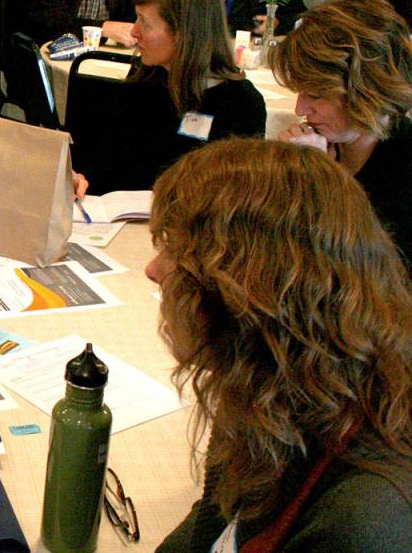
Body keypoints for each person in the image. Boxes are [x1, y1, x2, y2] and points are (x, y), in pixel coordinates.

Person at [148, 138, 412, 552]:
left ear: (247, 290)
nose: (153, 269)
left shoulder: (361, 525)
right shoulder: (269, 386)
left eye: (177, 250)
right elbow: (214, 525)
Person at [83, 0, 264, 192]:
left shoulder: (241, 105)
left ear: (183, 33)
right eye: (137, 18)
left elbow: (236, 196)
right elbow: (109, 160)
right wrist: (81, 180)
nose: (134, 32)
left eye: (145, 22)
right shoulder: (145, 76)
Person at [273, 0, 412, 267]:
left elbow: (367, 275)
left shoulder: (404, 171)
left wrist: (321, 184)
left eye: (316, 95)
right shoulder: (327, 143)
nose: (300, 109)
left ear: (368, 91)